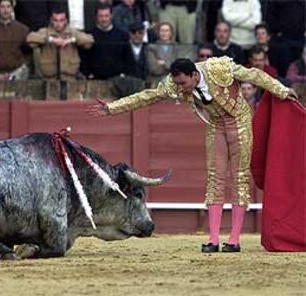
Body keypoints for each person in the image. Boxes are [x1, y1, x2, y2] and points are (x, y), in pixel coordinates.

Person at [88, 56, 298, 253]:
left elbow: (254, 75)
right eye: (177, 84)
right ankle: (214, 239)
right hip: (215, 125)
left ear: (195, 76)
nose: (179, 89)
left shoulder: (219, 68)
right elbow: (147, 96)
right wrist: (112, 108)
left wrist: (281, 90)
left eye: (182, 84)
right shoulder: (174, 83)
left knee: (239, 179)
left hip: (240, 124)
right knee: (215, 179)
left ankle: (234, 240)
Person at [27, 8, 93, 80]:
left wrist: (71, 40)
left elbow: (89, 41)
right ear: (51, 20)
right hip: (49, 78)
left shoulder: (72, 32)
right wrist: (50, 39)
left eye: (61, 20)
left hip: (70, 77)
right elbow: (30, 39)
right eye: (56, 20)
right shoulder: (45, 31)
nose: (58, 24)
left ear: (66, 21)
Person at [81, 4, 130, 80]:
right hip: (95, 80)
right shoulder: (89, 36)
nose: (104, 19)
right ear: (96, 17)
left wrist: (123, 74)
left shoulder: (122, 36)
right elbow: (84, 58)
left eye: (106, 16)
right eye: (101, 16)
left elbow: (127, 58)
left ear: (111, 15)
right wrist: (88, 74)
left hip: (118, 80)